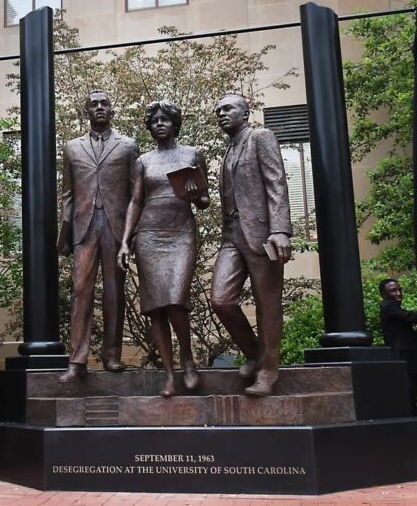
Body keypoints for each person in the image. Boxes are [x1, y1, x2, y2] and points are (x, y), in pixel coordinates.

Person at [118, 99, 210, 397]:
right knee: (156, 308)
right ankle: (169, 374)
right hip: (149, 235)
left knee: (175, 300)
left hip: (180, 231)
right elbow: (135, 201)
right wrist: (124, 241)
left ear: (174, 123)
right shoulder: (143, 161)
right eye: (154, 120)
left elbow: (205, 201)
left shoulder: (193, 154)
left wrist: (197, 196)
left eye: (164, 119)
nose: (159, 123)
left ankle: (187, 359)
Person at [210, 94, 292, 397]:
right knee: (221, 299)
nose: (221, 113)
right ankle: (255, 353)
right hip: (231, 236)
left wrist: (281, 229)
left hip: (261, 234)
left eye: (228, 108)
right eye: (218, 110)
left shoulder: (261, 137)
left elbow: (276, 182)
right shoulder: (228, 151)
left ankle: (269, 372)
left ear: (246, 113)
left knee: (267, 305)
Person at [57, 90, 140, 383]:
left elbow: (135, 195)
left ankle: (112, 356)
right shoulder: (71, 148)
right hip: (84, 227)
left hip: (116, 227)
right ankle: (77, 360)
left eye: (105, 103)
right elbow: (67, 192)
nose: (100, 108)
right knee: (81, 292)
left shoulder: (128, 146)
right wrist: (64, 233)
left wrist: (131, 237)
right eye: (94, 104)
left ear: (112, 110)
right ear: (86, 112)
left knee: (114, 292)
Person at [379, 278, 417, 414]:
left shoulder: (391, 307)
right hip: (402, 356)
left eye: (399, 290)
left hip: (406, 355)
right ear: (384, 295)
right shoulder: (389, 307)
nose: (398, 293)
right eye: (393, 290)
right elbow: (416, 317)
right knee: (408, 391)